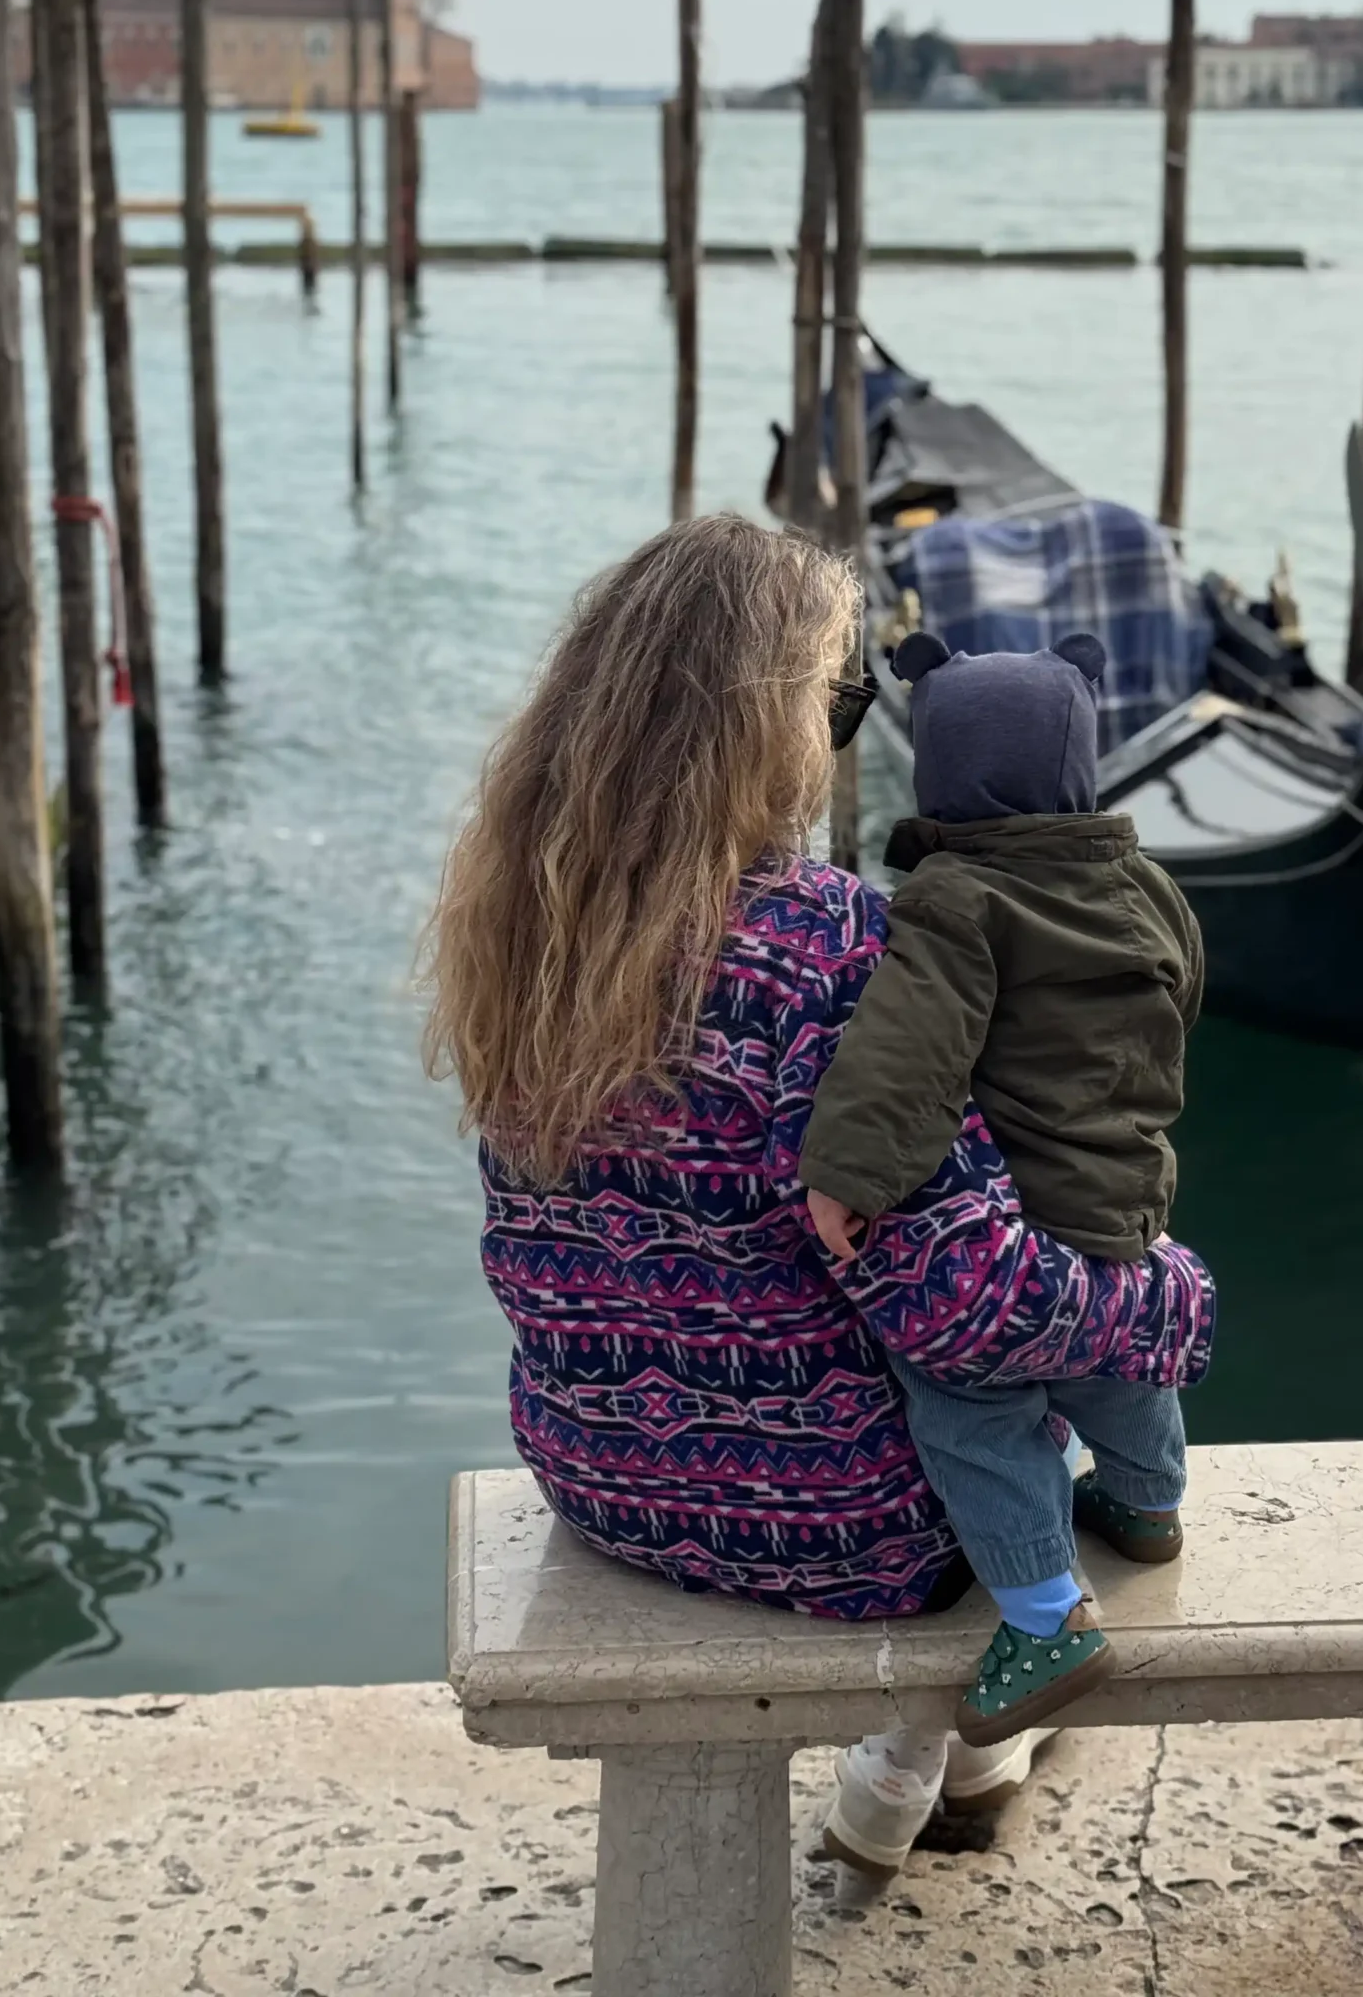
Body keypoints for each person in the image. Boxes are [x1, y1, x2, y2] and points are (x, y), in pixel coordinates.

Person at [420, 513, 1215, 1873]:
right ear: (763, 721)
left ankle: (929, 1763)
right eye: (840, 698)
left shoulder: (521, 936)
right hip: (835, 1530)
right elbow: (964, 1302)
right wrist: (1170, 1304)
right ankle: (946, 1750)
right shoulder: (828, 947)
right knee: (1046, 1399)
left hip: (605, 1480)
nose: (845, 730)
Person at [798, 628, 1205, 1744]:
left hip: (1013, 1229)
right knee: (1119, 1353)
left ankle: (1043, 1617)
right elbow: (1180, 1007)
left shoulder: (959, 897)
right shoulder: (1151, 887)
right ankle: (1149, 1504)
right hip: (1129, 1196)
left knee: (971, 1404)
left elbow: (908, 1053)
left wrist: (846, 1176)